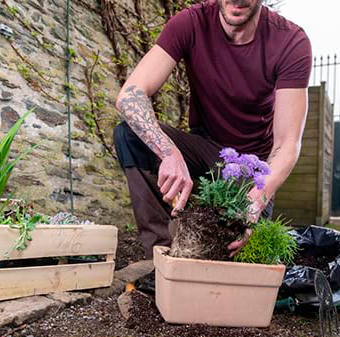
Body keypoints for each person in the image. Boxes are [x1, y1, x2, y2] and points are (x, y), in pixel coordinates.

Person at [114, 0, 312, 259]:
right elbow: (130, 95)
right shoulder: (191, 23)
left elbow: (287, 145)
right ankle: (160, 256)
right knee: (129, 136)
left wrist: (255, 200)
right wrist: (169, 153)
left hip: (250, 168)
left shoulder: (290, 42)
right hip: (204, 147)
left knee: (237, 256)